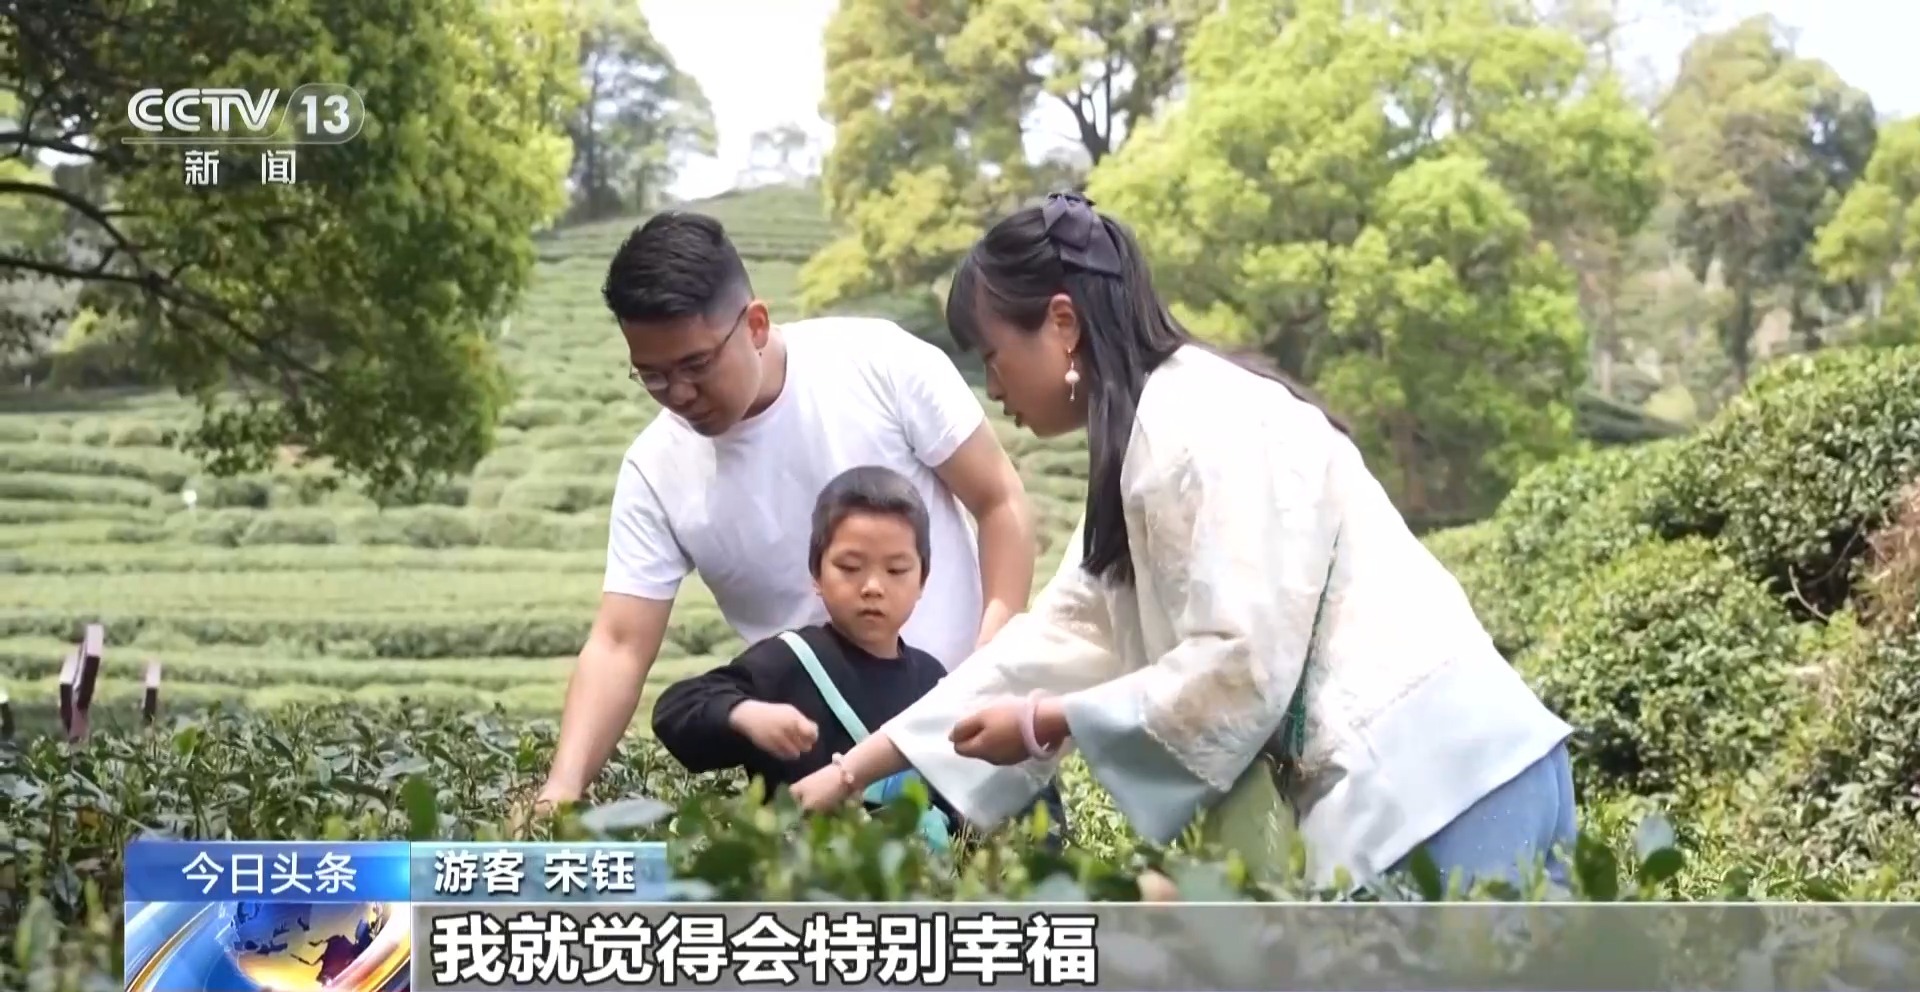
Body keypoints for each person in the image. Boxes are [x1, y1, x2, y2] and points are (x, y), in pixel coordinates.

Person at [790, 192, 1577, 895]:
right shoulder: (1150, 442)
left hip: (1433, 784)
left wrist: (1049, 721)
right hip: (1462, 778)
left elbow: (1239, 664)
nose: (993, 389)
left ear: (1061, 324)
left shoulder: (1198, 428)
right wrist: (854, 771)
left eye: (993, 357)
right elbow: (1046, 647)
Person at [529, 210, 1063, 832]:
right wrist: (560, 791)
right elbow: (620, 643)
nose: (677, 394)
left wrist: (989, 656)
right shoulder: (655, 468)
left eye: (696, 365)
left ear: (754, 324)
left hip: (968, 733)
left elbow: (999, 499)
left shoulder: (879, 363)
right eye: (652, 375)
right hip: (823, 772)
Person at [650, 466, 965, 844]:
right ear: (816, 573)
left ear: (922, 580)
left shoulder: (932, 679)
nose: (873, 587)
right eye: (850, 568)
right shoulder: (789, 661)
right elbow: (675, 710)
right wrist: (744, 714)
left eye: (896, 570)